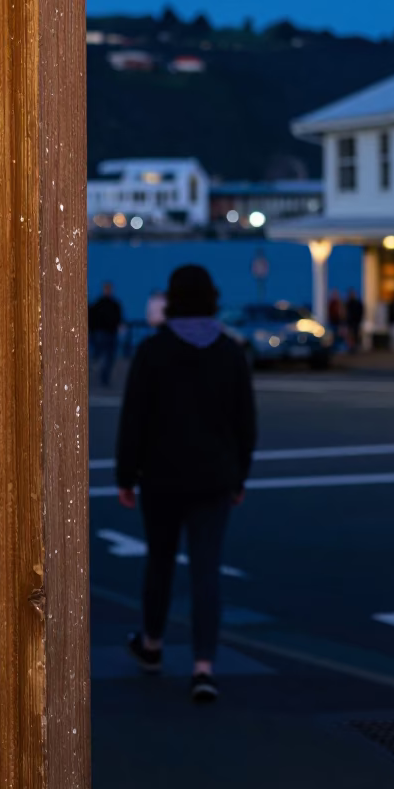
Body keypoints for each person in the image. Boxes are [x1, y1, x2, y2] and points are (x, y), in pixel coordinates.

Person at [117, 264, 257, 702]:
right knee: (205, 570)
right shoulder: (230, 352)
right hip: (215, 476)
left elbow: (133, 419)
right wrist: (239, 476)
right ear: (212, 298)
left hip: (161, 476)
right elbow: (245, 423)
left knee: (159, 561)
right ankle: (203, 667)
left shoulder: (153, 351)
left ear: (172, 299)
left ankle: (153, 646)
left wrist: (126, 475)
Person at [89, 282, 123, 388]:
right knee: (104, 356)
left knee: (108, 357)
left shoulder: (112, 304)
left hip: (110, 333)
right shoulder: (100, 304)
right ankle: (102, 377)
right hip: (102, 333)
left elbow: (118, 318)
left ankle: (104, 378)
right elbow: (92, 319)